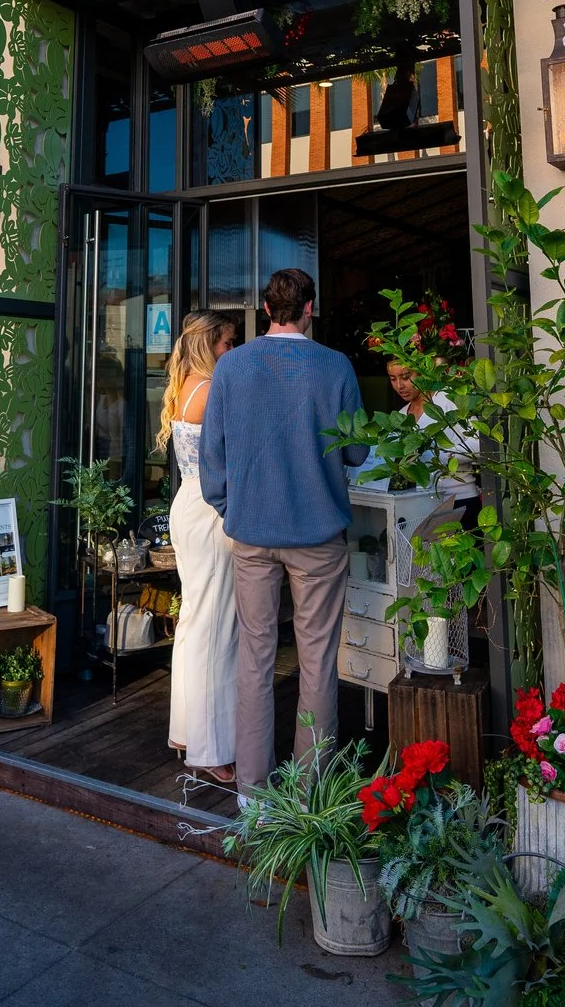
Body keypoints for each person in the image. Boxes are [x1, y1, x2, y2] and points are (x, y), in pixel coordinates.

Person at [201, 267, 368, 795]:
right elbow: (359, 451)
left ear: (267, 310)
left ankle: (251, 792)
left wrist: (233, 507)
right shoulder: (335, 366)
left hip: (251, 534)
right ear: (309, 309)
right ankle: (308, 793)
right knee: (317, 660)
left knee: (256, 657)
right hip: (317, 534)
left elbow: (212, 458)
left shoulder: (232, 367)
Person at [161, 310, 240, 784]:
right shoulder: (211, 391)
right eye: (228, 342)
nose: (232, 351)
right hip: (211, 510)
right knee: (215, 628)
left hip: (188, 504)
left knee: (194, 623)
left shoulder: (186, 383)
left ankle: (188, 731)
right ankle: (209, 751)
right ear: (210, 342)